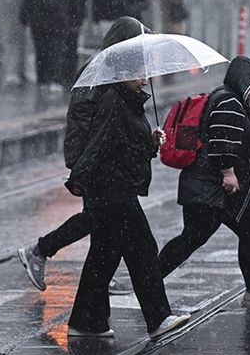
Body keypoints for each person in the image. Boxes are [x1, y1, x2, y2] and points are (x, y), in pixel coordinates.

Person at [17, 17, 151, 294]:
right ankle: (40, 250)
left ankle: (91, 287)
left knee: (101, 224)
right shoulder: (101, 72)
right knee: (99, 220)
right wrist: (80, 164)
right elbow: (85, 121)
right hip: (96, 163)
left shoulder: (113, 70)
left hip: (101, 161)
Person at [63, 68, 189, 339]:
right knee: (143, 250)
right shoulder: (114, 102)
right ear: (122, 75)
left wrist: (151, 141)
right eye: (139, 74)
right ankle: (158, 317)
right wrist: (79, 177)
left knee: (104, 255)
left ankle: (86, 321)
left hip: (115, 187)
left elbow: (126, 145)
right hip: (112, 190)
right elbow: (100, 144)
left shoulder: (128, 102)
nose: (145, 80)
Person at [157, 56, 250, 305]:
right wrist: (228, 172)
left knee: (237, 231)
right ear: (244, 81)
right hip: (214, 188)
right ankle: (149, 280)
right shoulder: (229, 102)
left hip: (214, 188)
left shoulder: (229, 99)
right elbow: (221, 141)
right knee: (196, 238)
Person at [20, 0, 77, 92]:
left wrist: (24, 19)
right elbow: (74, 4)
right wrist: (74, 21)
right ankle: (55, 80)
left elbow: (27, 0)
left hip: (38, 24)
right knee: (56, 52)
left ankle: (42, 80)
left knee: (41, 52)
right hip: (58, 24)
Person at [62, 0, 88, 88]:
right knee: (65, 50)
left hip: (71, 23)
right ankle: (66, 76)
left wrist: (77, 22)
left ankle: (70, 76)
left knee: (71, 50)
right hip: (64, 23)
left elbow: (81, 4)